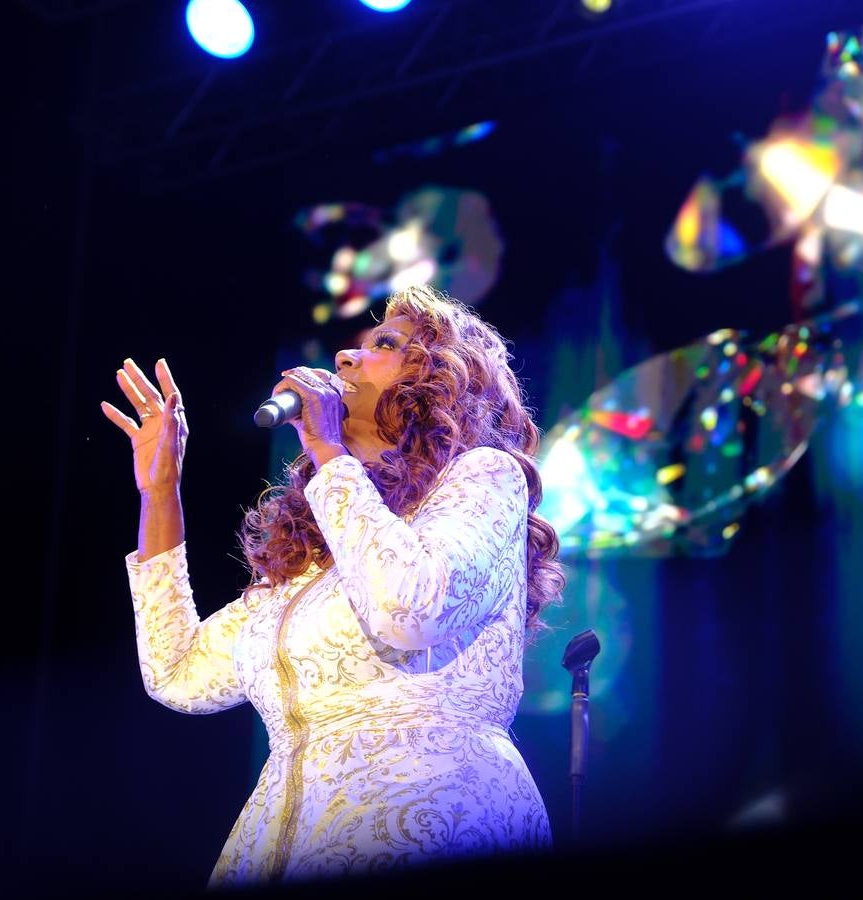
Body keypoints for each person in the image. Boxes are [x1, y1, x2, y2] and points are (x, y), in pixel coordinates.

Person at [100, 285, 565, 887]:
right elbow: (179, 673)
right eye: (354, 347)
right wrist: (160, 493)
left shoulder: (484, 478)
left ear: (441, 380)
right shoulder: (317, 551)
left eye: (386, 345)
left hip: (433, 811)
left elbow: (410, 608)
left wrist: (327, 451)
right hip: (286, 836)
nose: (346, 358)